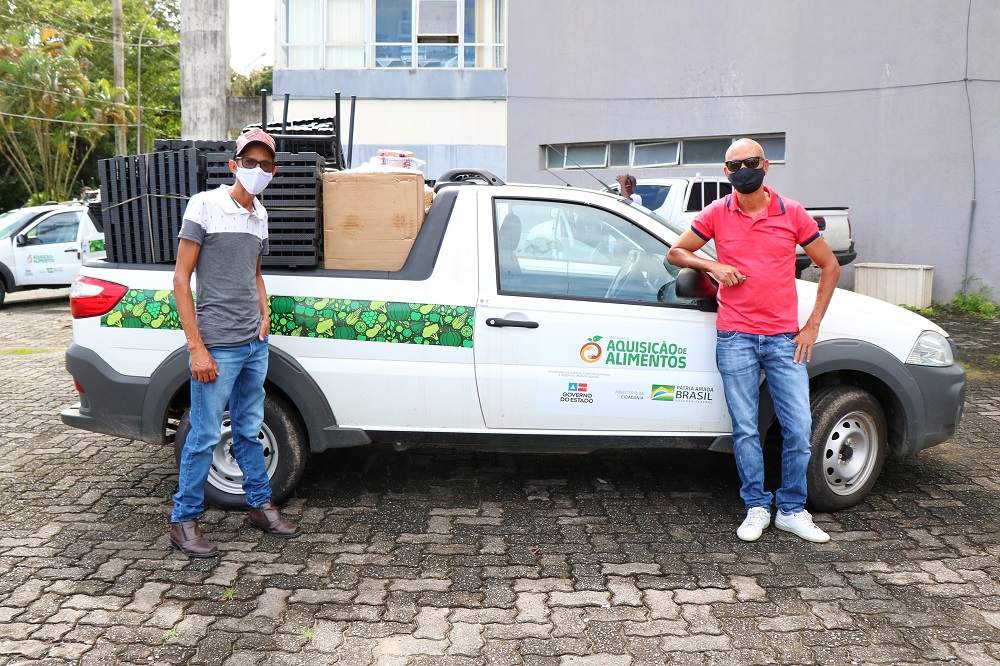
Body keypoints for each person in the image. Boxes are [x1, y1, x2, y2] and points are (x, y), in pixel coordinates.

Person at [666, 138, 840, 544]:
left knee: (799, 428)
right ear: (726, 172)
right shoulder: (717, 212)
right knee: (745, 429)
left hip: (784, 339)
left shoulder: (791, 212)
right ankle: (756, 506)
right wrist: (713, 265)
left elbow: (830, 266)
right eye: (734, 165)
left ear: (765, 165)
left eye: (750, 162)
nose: (743, 170)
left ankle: (792, 510)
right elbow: (676, 253)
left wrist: (812, 325)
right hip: (735, 337)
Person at [169, 128, 301, 558]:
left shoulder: (260, 214)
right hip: (217, 345)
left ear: (273, 172)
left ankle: (260, 506)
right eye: (249, 162)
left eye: (266, 164)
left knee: (247, 427)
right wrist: (196, 348)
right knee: (205, 434)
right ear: (233, 165)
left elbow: (255, 273)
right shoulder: (205, 205)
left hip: (253, 344)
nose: (257, 169)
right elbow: (181, 280)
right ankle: (183, 520)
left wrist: (265, 313)